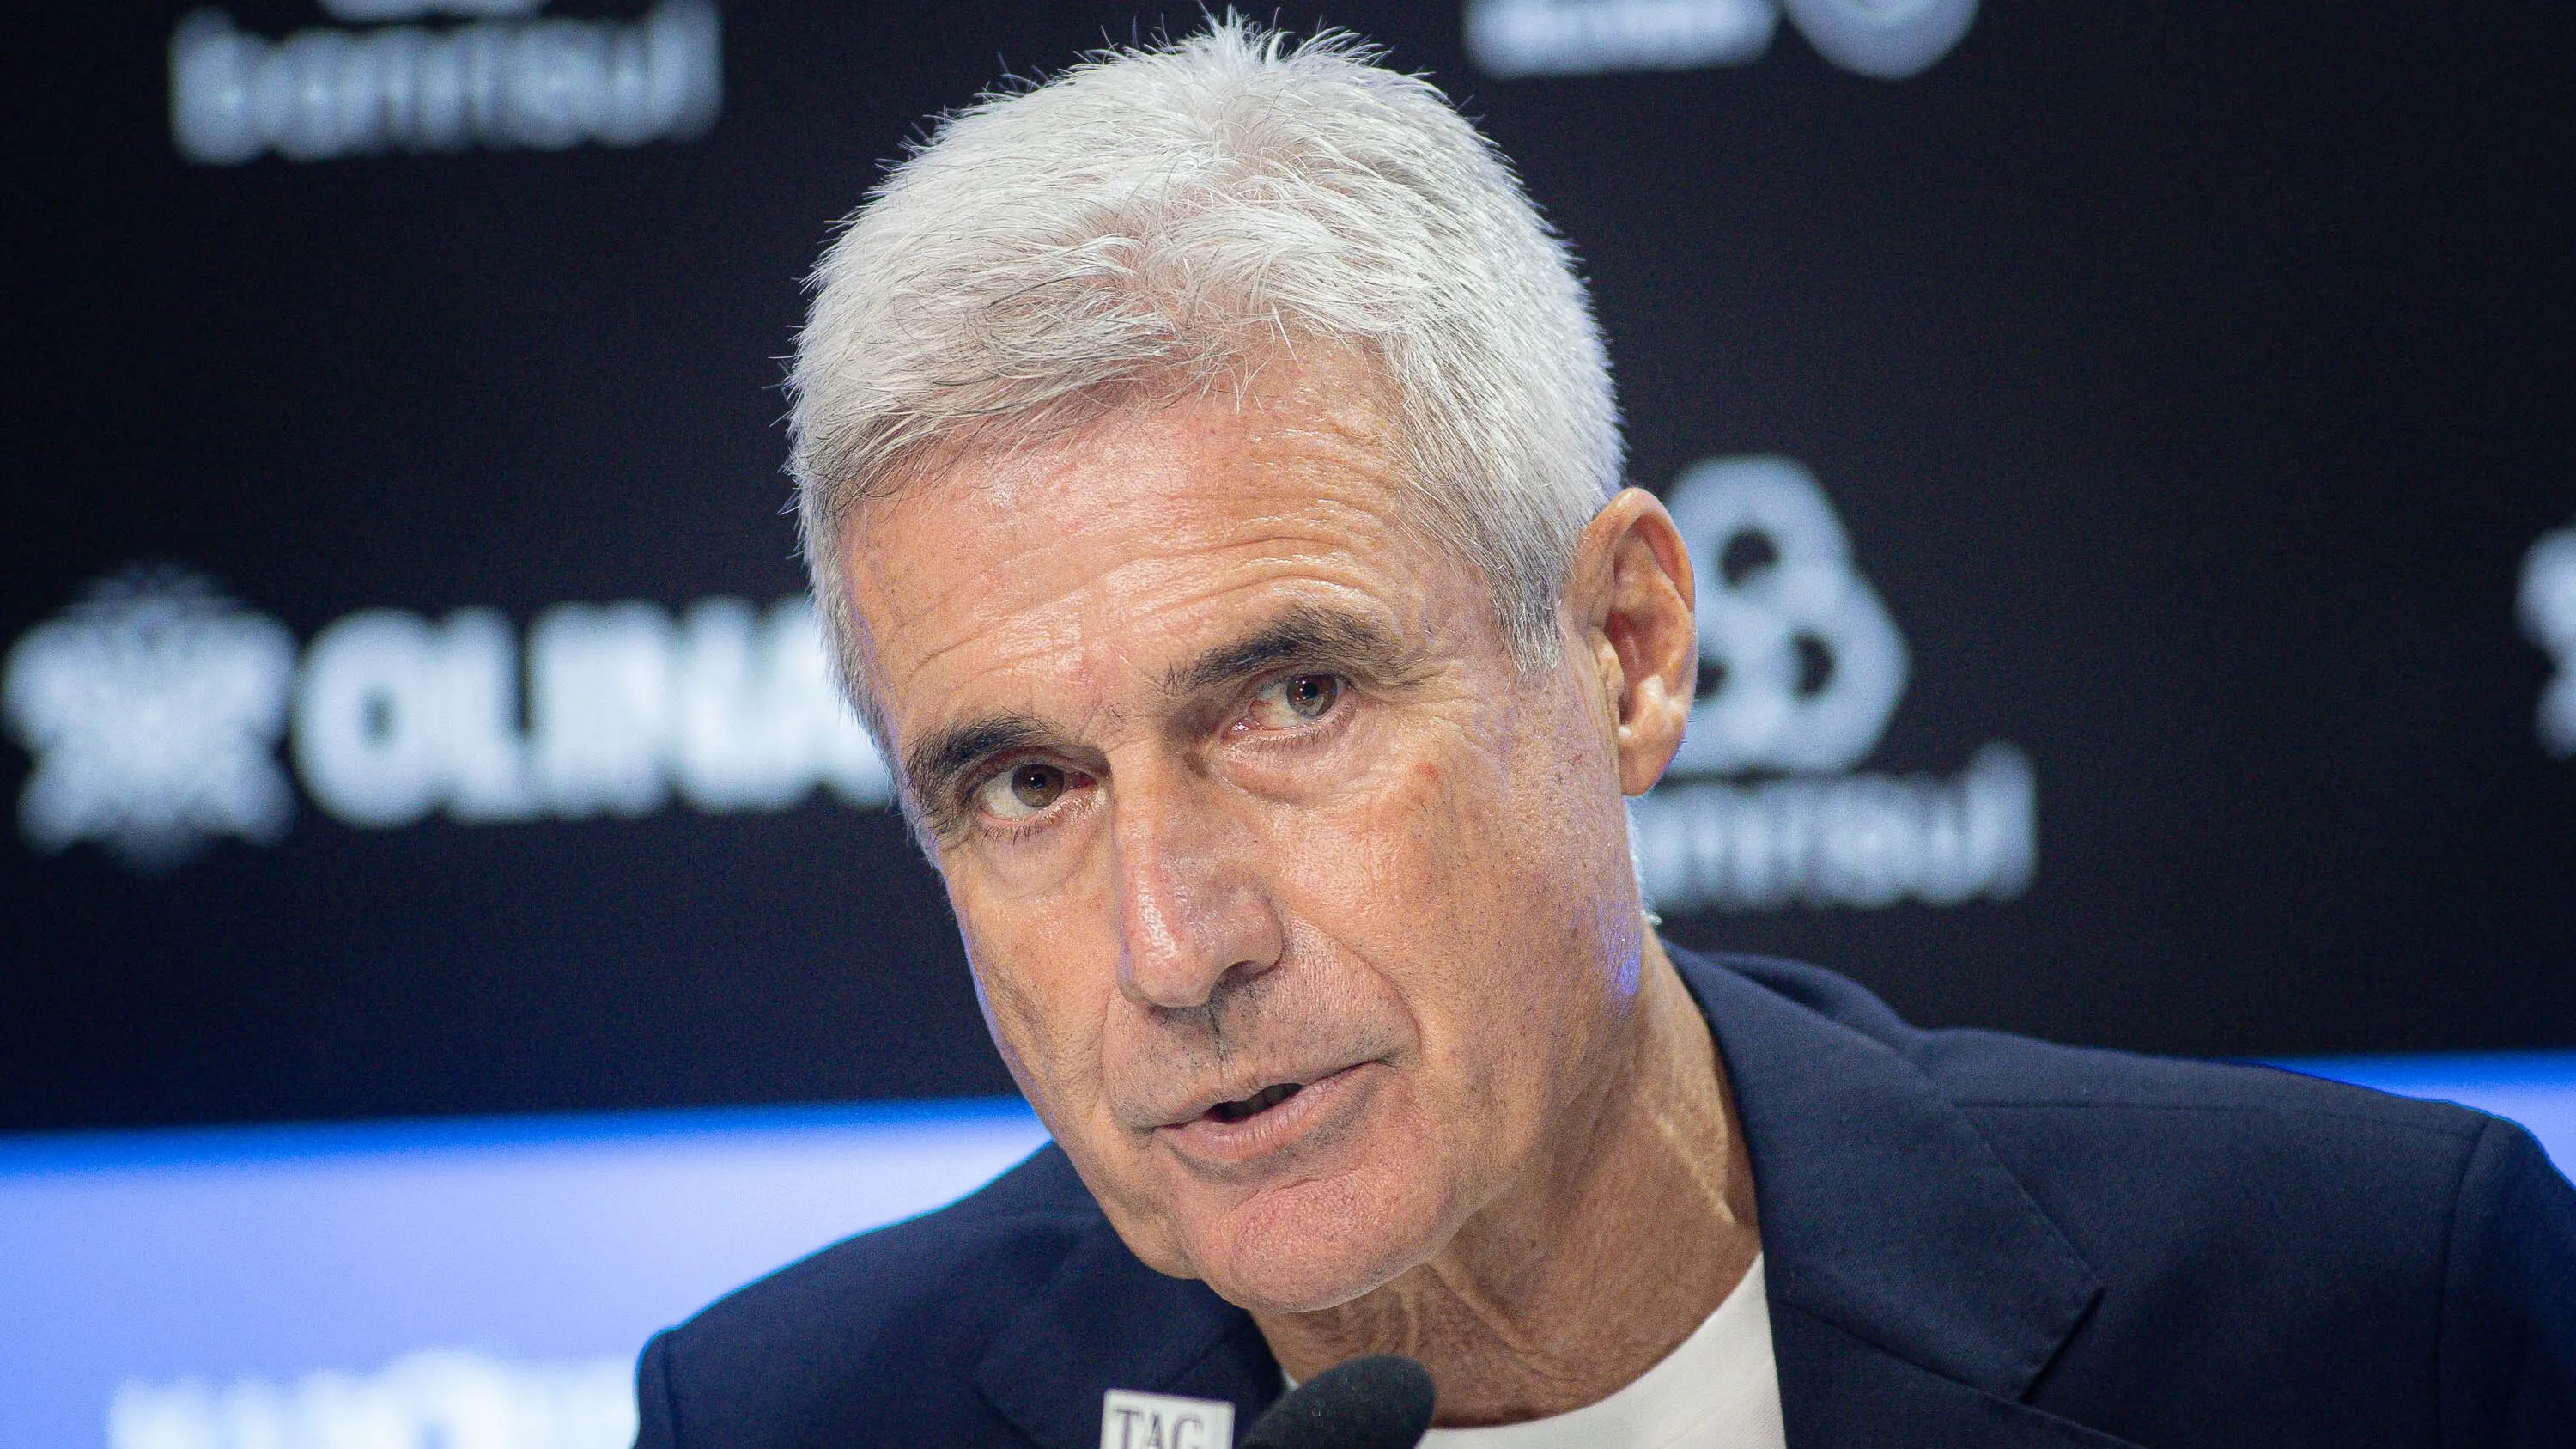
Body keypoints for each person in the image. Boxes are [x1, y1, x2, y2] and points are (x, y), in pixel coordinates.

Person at [633, 21, 2575, 1448]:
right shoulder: (790, 1417)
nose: (1176, 943)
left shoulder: (2365, 1316)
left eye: (1294, 698)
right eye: (1028, 785)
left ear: (1628, 649)